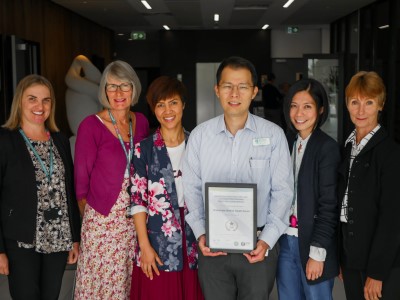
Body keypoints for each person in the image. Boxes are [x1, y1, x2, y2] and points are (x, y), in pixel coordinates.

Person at [183, 56, 293, 300]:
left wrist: (266, 241)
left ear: (254, 91)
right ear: (217, 90)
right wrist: (201, 234)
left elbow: (283, 193)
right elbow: (190, 188)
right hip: (213, 247)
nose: (234, 93)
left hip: (258, 245)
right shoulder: (201, 136)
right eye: (227, 86)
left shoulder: (273, 136)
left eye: (242, 86)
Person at [0, 74, 81, 300]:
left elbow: (69, 192)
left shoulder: (60, 140)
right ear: (20, 102)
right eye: (32, 99)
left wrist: (74, 237)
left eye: (46, 100)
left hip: (58, 237)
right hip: (22, 239)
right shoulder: (6, 141)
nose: (40, 106)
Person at [74, 60, 149, 299]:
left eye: (124, 86)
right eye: (112, 86)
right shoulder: (91, 125)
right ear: (104, 90)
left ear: (133, 89)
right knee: (103, 283)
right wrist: (93, 221)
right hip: (103, 220)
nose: (118, 93)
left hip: (136, 217)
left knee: (128, 280)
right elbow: (80, 181)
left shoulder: (141, 122)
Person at [128, 75, 203, 300]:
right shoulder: (144, 149)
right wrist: (145, 246)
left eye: (173, 102)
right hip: (157, 237)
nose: (167, 110)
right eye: (160, 104)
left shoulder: (197, 144)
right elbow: (138, 202)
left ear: (183, 105)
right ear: (153, 109)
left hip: (193, 236)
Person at [338, 71, 400, 300]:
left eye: (369, 102)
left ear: (381, 105)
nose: (361, 110)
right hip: (350, 256)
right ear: (346, 104)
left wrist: (377, 272)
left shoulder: (391, 154)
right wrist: (341, 259)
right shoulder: (345, 149)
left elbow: (392, 219)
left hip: (381, 264)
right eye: (355, 102)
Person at [276, 78, 340, 299]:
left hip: (313, 242)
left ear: (321, 110)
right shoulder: (286, 142)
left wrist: (317, 253)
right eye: (294, 106)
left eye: (307, 106)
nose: (299, 113)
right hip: (285, 241)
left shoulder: (327, 148)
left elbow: (329, 204)